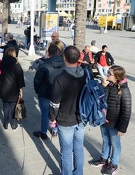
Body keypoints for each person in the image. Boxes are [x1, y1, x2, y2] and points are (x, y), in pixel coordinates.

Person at [49, 46, 87, 175]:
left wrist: (52, 118)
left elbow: (54, 103)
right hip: (81, 118)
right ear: (78, 59)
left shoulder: (60, 79)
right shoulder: (85, 74)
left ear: (64, 58)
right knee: (78, 149)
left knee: (66, 152)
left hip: (65, 121)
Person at [88, 66, 132, 175]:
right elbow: (99, 97)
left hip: (115, 123)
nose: (107, 74)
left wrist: (122, 128)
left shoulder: (124, 91)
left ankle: (114, 164)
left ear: (116, 77)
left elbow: (126, 111)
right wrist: (103, 86)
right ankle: (103, 159)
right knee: (105, 140)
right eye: (108, 72)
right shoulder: (108, 85)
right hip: (104, 119)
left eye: (109, 73)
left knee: (115, 143)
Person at [33, 42, 65, 140]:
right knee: (57, 113)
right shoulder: (65, 64)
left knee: (45, 114)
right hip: (59, 94)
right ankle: (55, 131)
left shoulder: (44, 65)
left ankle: (43, 132)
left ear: (48, 52)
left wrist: (38, 90)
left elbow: (37, 80)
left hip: (45, 94)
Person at [0, 47, 25, 131]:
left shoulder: (2, 63)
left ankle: (5, 124)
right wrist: (21, 90)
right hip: (14, 90)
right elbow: (20, 79)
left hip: (4, 88)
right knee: (14, 107)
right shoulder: (16, 65)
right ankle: (14, 125)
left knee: (5, 106)